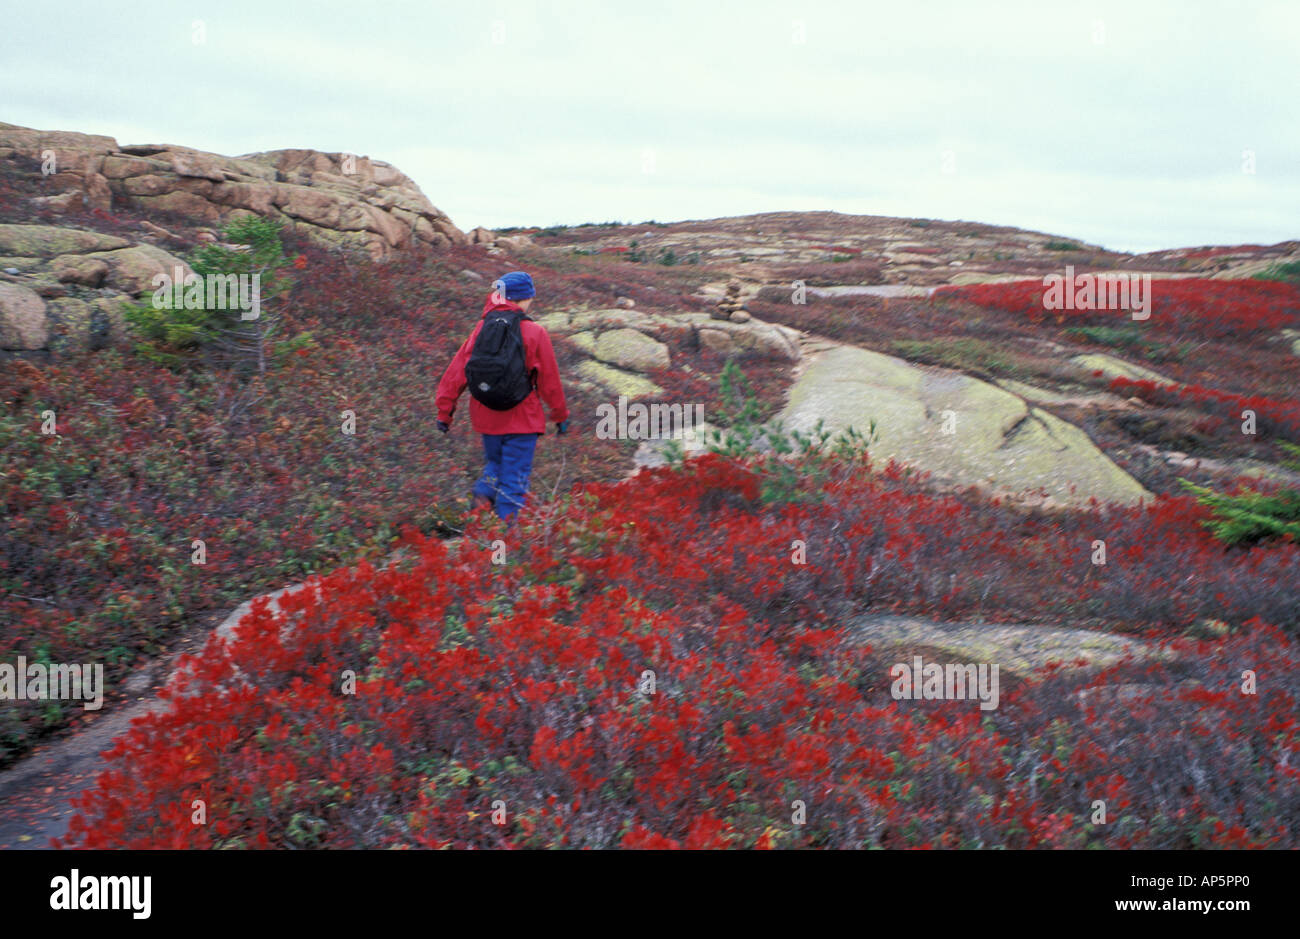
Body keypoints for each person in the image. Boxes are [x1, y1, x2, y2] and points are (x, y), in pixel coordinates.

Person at [435, 271, 569, 521]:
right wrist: (560, 416)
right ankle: (510, 541)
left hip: (487, 418)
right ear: (524, 298)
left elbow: (456, 373)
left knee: (495, 464)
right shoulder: (535, 332)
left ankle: (482, 497)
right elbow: (549, 382)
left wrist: (445, 413)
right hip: (523, 421)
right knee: (514, 481)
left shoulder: (481, 329)